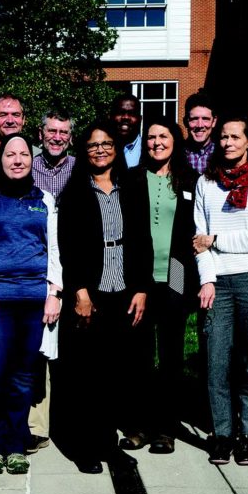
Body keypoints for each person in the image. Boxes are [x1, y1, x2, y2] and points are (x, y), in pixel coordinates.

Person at [0, 134, 62, 475]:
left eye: (23, 154)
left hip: (34, 303)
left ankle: (15, 443)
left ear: (31, 160)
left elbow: (55, 250)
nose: (17, 160)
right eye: (10, 154)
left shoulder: (44, 199)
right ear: (0, 159)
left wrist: (54, 293)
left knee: (22, 378)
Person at [55, 120, 153, 474]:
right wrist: (79, 291)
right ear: (84, 150)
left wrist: (142, 288)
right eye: (93, 145)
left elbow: (143, 240)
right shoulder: (76, 192)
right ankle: (84, 447)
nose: (100, 150)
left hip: (123, 293)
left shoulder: (130, 187)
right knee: (85, 376)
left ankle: (108, 445)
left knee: (115, 375)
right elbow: (68, 245)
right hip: (90, 295)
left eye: (107, 144)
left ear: (116, 148)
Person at [192, 116, 248, 466]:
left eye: (235, 137)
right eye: (223, 137)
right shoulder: (206, 183)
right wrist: (207, 279)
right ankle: (222, 434)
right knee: (215, 361)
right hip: (218, 282)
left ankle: (247, 434)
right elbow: (197, 240)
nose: (227, 142)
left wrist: (216, 240)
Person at [124, 117, 200, 454]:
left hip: (176, 275)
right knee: (138, 357)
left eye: (163, 136)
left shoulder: (190, 180)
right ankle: (139, 425)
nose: (156, 142)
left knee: (171, 356)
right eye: (151, 137)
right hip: (139, 280)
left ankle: (165, 429)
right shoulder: (131, 179)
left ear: (175, 141)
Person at [26, 108, 77, 454]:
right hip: (37, 265)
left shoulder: (79, 167)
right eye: (51, 131)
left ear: (70, 137)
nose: (57, 137)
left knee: (72, 348)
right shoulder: (28, 165)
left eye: (63, 132)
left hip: (75, 262)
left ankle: (70, 419)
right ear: (41, 134)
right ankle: (36, 424)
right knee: (38, 347)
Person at [183, 90, 218, 175]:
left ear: (214, 122)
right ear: (185, 122)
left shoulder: (223, 153)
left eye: (205, 119)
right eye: (194, 119)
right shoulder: (176, 154)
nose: (199, 125)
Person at [111, 93, 143, 168]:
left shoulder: (150, 149)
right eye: (120, 112)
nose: (125, 117)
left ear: (140, 119)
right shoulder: (99, 151)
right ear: (110, 117)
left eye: (132, 113)